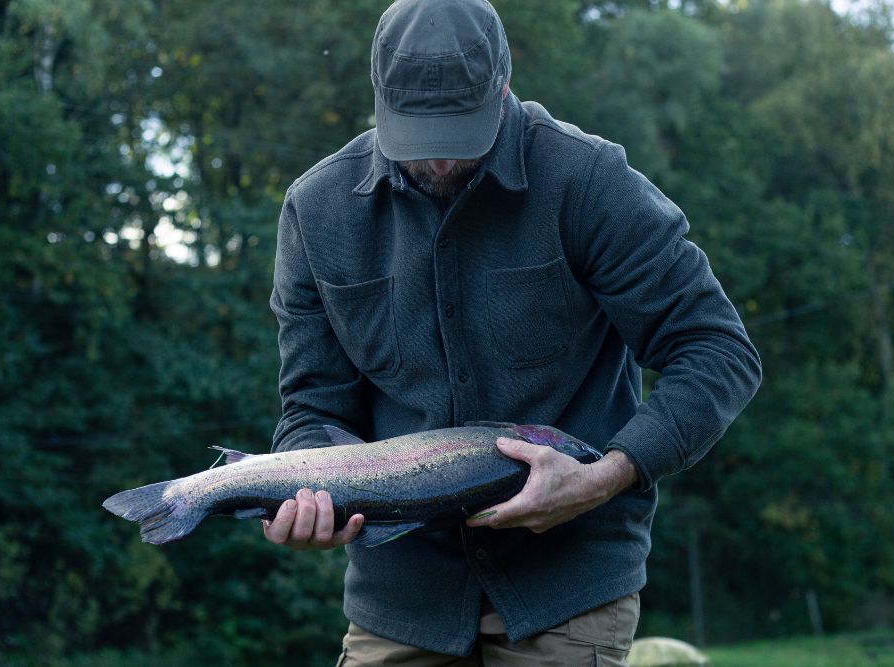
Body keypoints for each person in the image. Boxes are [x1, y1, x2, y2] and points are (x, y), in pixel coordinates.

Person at [263, 0, 762, 664]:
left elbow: (717, 349)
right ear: (378, 94)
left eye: (457, 134)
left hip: (567, 588)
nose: (437, 162)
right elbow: (312, 406)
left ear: (503, 83)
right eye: (417, 136)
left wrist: (606, 475)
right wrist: (304, 497)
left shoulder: (588, 182)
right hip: (401, 596)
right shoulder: (315, 209)